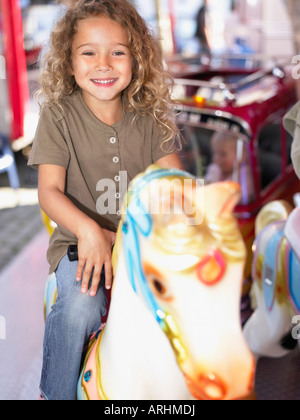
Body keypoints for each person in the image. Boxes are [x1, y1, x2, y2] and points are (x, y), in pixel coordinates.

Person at [28, 0, 182, 400]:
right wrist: (89, 230)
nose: (104, 64)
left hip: (144, 249)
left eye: (117, 52)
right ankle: (55, 393)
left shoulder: (151, 117)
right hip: (82, 246)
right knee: (82, 305)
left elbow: (175, 189)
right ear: (68, 61)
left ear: (137, 59)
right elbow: (49, 191)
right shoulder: (59, 116)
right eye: (88, 52)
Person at [205, 132, 254, 204]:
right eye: (215, 153)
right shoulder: (215, 169)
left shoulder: (244, 174)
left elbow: (244, 196)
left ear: (242, 156)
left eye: (223, 154)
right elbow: (206, 185)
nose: (217, 158)